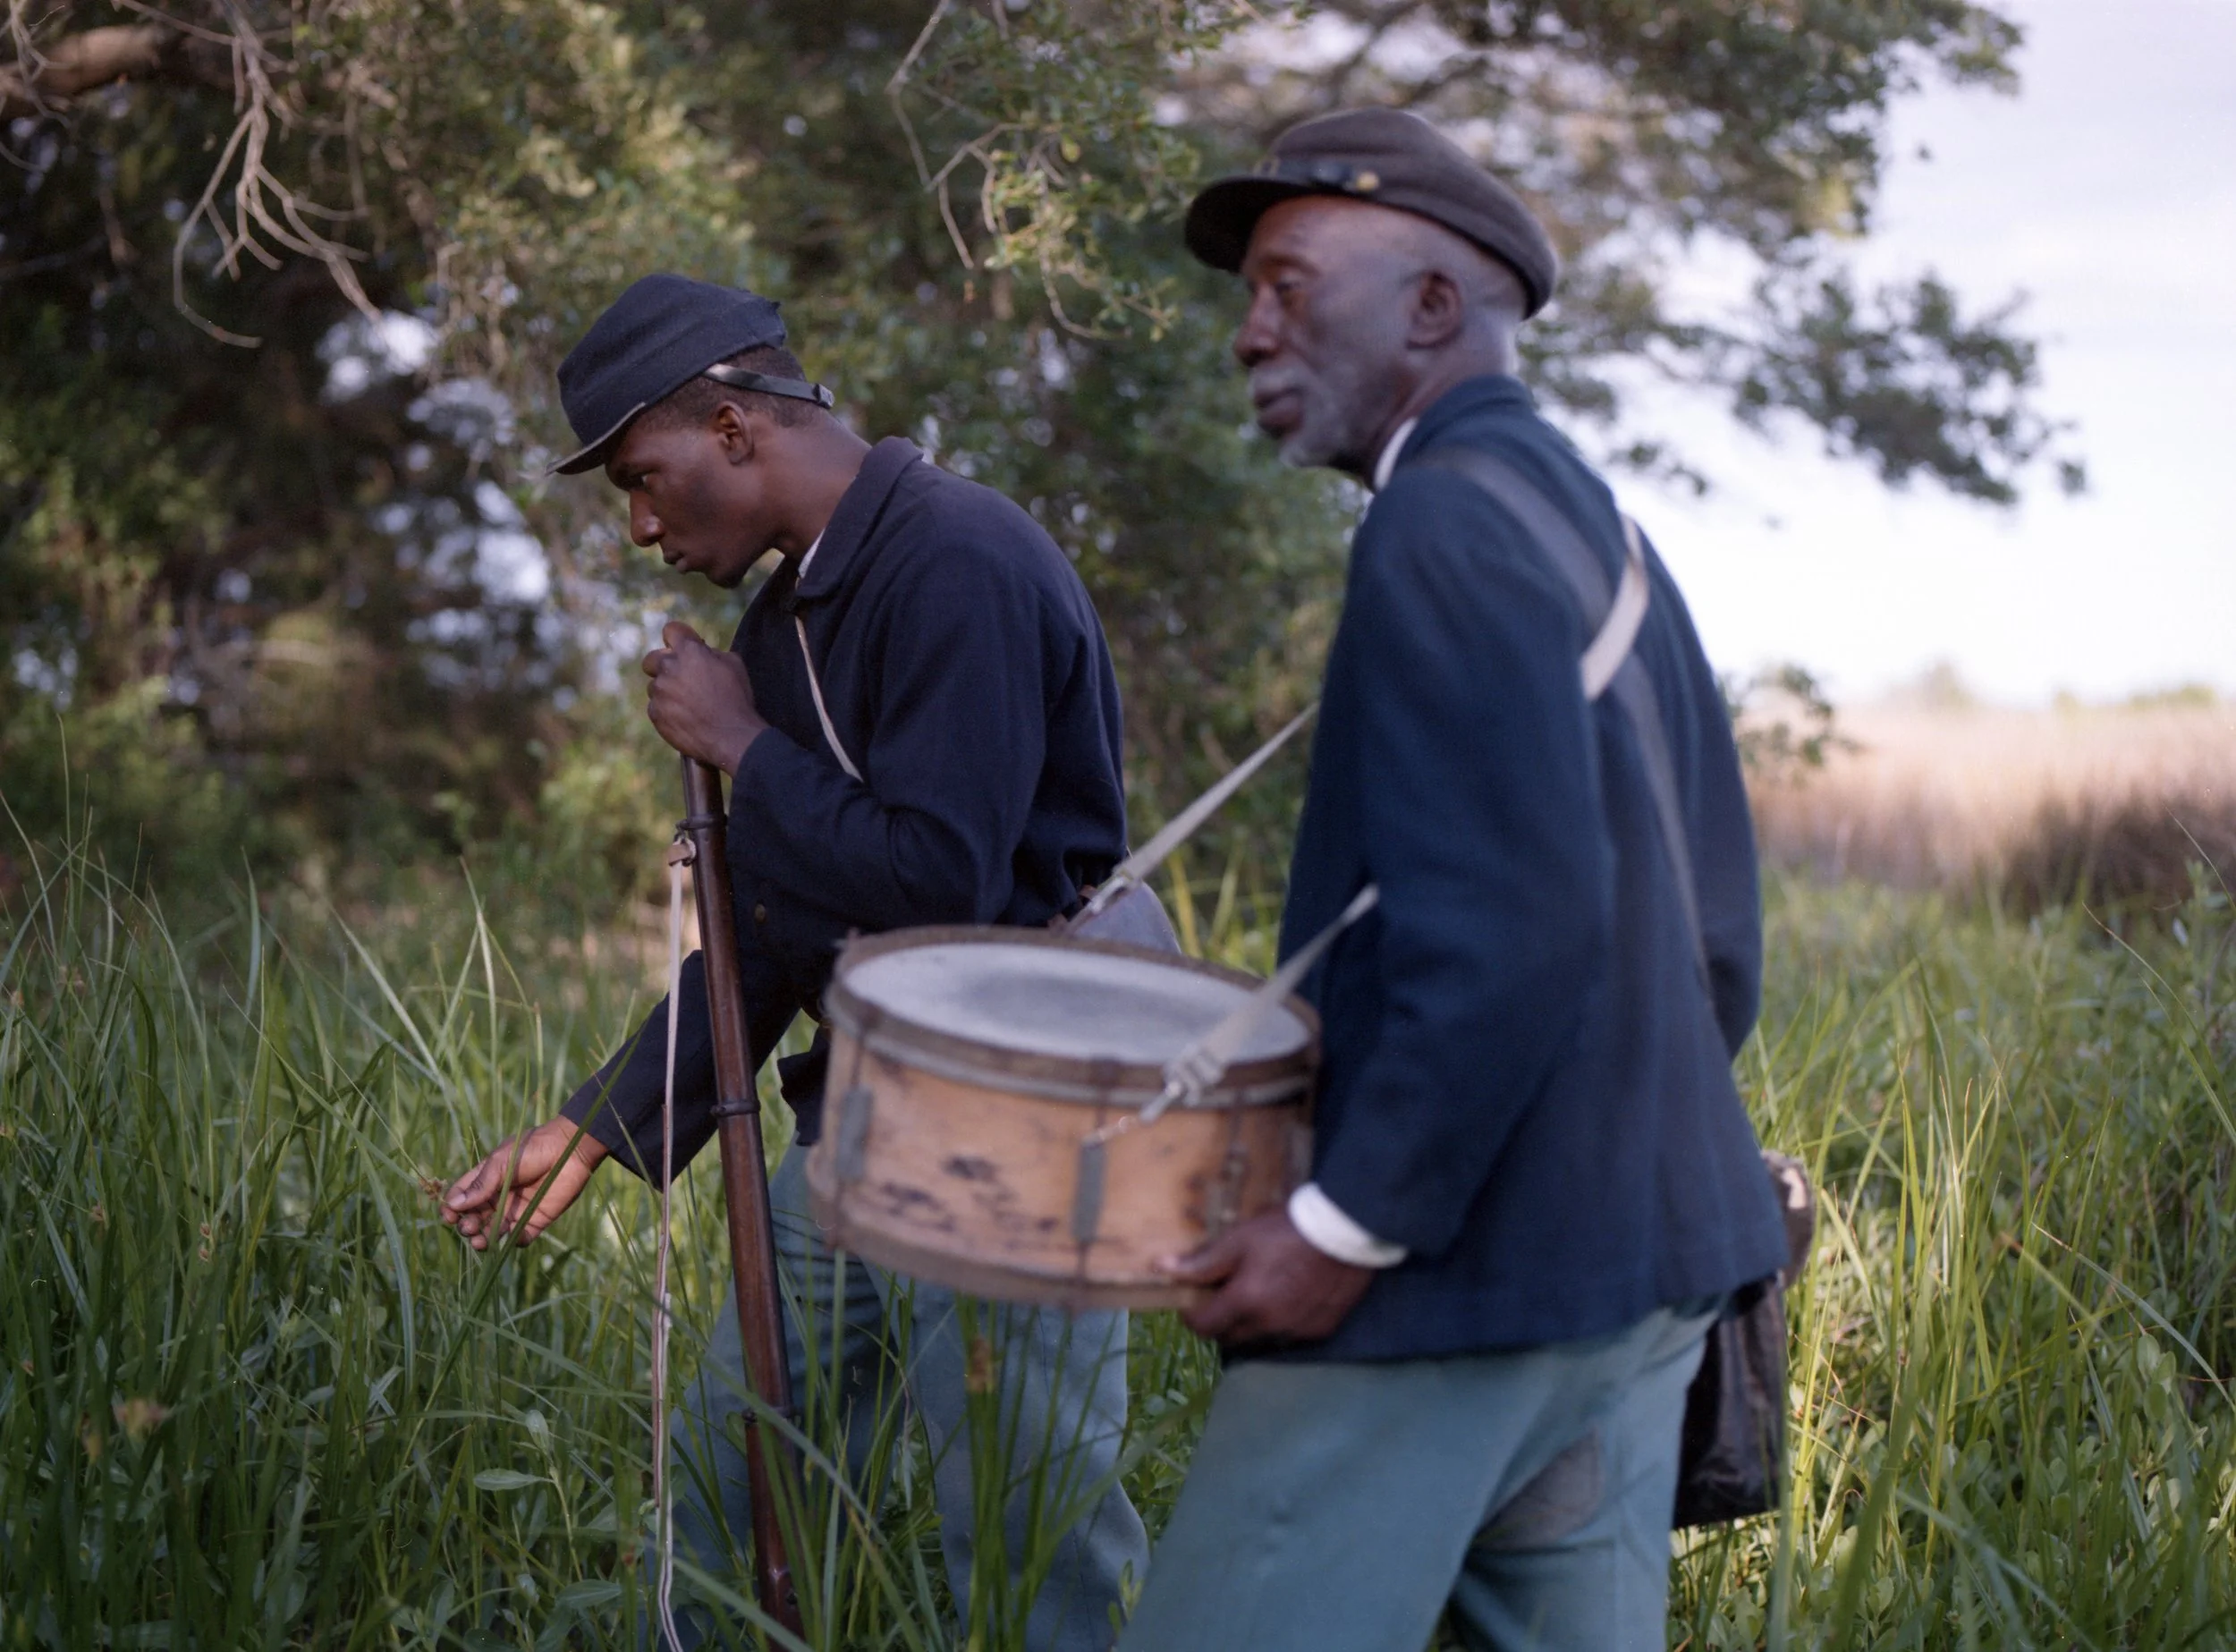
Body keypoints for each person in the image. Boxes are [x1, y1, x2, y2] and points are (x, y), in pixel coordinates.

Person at [1116, 108, 1791, 1652]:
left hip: (1456, 1282)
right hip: (1641, 1276)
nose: (1249, 332)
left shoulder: (1436, 524)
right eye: (1250, 296)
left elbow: (1508, 933)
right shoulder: (1594, 526)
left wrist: (1346, 1225)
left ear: (1433, 308)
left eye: (1289, 284)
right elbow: (1715, 945)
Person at [440, 275, 1148, 1650]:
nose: (642, 528)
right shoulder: (783, 627)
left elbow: (939, 874)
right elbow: (769, 931)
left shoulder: (959, 558)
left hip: (1020, 1109)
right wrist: (594, 1126)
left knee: (1023, 1532)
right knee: (729, 1476)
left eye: (646, 479)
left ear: (733, 424)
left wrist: (741, 748)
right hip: (863, 1120)